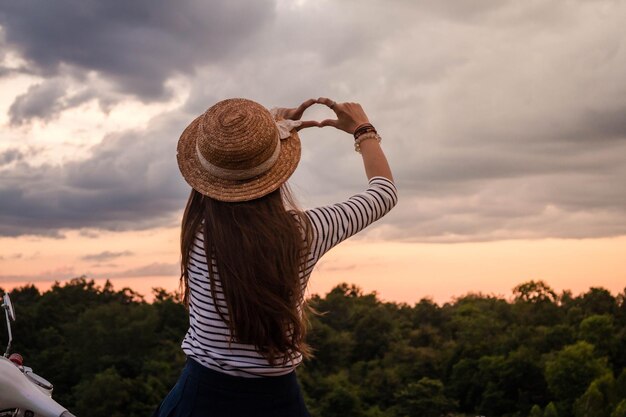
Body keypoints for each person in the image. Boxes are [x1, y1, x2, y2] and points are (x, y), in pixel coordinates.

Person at [151, 97, 398, 417]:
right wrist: (363, 130)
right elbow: (383, 193)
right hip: (276, 403)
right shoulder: (304, 234)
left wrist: (271, 126)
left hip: (196, 399)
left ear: (207, 175)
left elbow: (218, 171)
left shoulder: (196, 229)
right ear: (277, 168)